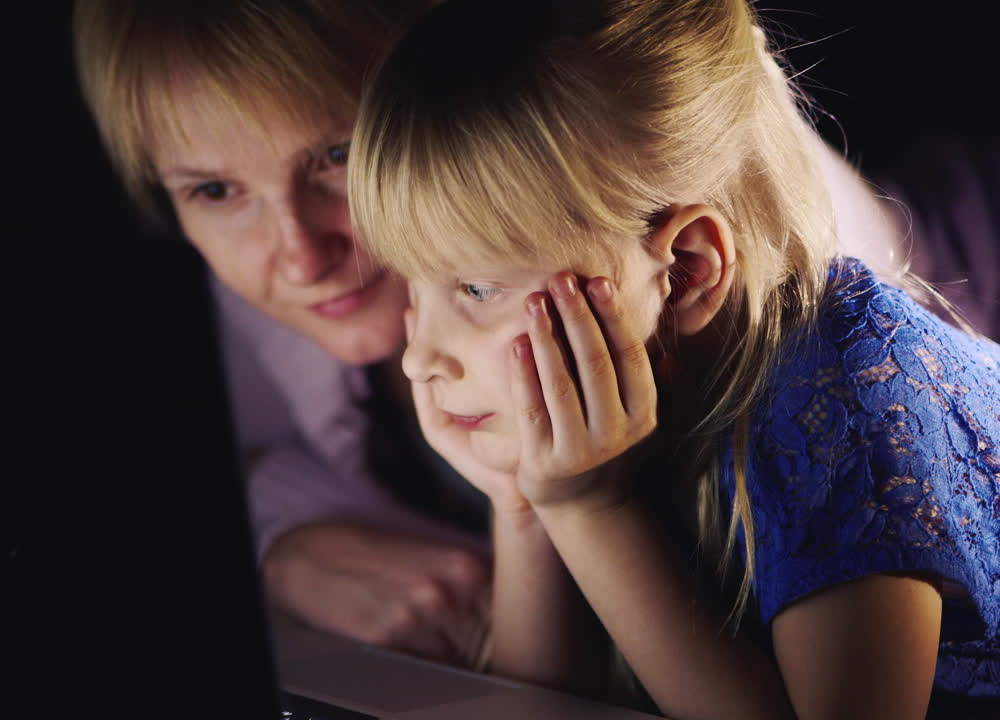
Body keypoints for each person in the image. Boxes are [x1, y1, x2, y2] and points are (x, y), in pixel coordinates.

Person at [70, 0, 995, 679]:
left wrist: (587, 511)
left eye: (338, 155)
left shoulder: (801, 337)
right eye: (213, 190)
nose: (301, 257)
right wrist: (293, 542)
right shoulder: (290, 303)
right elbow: (207, 470)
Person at [347, 0, 1000, 718]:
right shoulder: (637, 404)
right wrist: (528, 502)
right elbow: (536, 708)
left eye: (474, 286)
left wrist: (592, 512)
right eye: (415, 282)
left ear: (685, 271)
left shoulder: (845, 389)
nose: (419, 358)